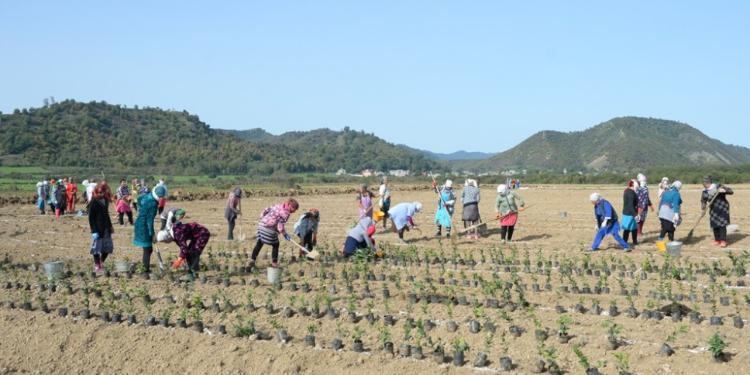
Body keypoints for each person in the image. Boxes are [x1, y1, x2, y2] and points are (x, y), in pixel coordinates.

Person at [249, 198, 299, 268]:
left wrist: (262, 219)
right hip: (269, 229)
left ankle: (252, 260)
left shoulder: (278, 206)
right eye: (294, 209)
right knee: (276, 244)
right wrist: (285, 234)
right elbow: (280, 227)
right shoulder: (285, 213)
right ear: (291, 206)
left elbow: (266, 209)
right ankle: (274, 263)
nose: (294, 211)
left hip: (261, 226)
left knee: (259, 243)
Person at [133, 184, 167, 276]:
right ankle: (145, 271)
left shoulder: (148, 195)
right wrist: (152, 235)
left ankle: (145, 268)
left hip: (139, 222)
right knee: (148, 249)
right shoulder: (153, 204)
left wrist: (140, 210)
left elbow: (139, 199)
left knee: (147, 249)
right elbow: (149, 221)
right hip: (144, 226)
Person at [170, 209, 211, 281]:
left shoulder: (177, 233)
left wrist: (179, 260)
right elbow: (183, 248)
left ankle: (193, 273)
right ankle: (191, 272)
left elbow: (183, 247)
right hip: (195, 236)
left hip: (203, 234)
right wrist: (181, 257)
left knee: (195, 252)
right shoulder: (174, 231)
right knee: (189, 252)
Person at [88, 181, 114, 274]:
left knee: (107, 247)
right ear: (96, 192)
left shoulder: (105, 201)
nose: (101, 194)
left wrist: (110, 226)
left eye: (102, 192)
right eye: (99, 192)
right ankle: (97, 265)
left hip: (106, 227)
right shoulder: (93, 202)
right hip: (98, 228)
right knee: (96, 248)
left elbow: (107, 214)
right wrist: (94, 230)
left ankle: (101, 262)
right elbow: (91, 218)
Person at [701, 176, 734, 248]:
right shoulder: (705, 191)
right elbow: (703, 200)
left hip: (723, 208)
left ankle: (723, 241)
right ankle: (717, 240)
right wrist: (703, 207)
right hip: (713, 210)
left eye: (705, 183)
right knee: (714, 225)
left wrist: (724, 191)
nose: (704, 184)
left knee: (722, 225)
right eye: (703, 183)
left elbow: (731, 191)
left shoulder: (718, 186)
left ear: (709, 182)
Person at [621, 180, 639, 246]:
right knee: (627, 229)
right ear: (634, 185)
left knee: (634, 228)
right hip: (629, 213)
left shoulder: (631, 191)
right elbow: (630, 205)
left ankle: (635, 241)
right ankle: (624, 242)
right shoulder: (630, 192)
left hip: (632, 212)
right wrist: (635, 214)